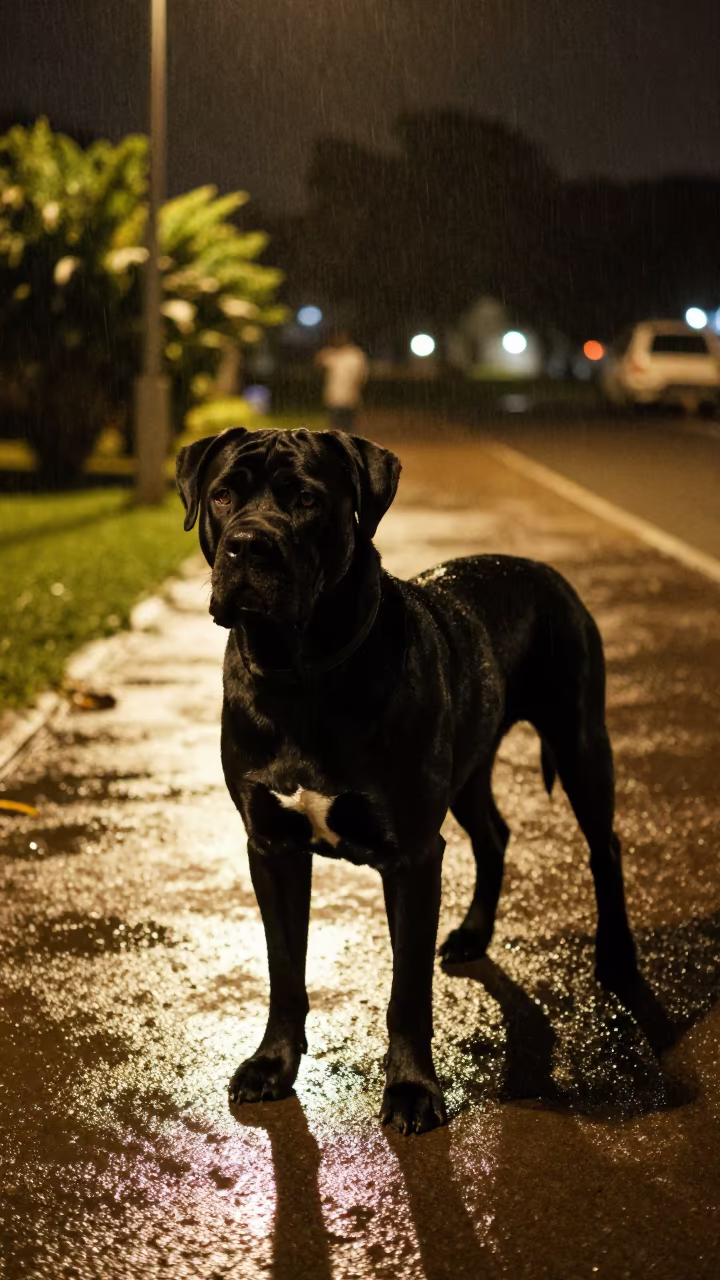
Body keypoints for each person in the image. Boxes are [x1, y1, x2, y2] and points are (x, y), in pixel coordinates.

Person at [314, 330, 368, 431]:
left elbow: (361, 378)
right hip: (336, 398)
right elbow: (318, 361)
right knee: (338, 429)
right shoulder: (335, 355)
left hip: (348, 399)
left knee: (346, 428)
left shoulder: (354, 355)